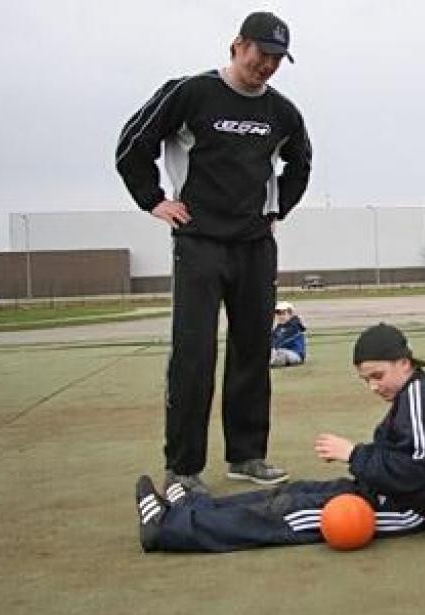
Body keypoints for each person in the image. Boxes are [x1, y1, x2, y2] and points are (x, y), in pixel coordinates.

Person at [115, 11, 312, 492]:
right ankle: (182, 467)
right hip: (199, 242)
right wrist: (155, 200)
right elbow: (131, 145)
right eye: (261, 53)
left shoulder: (282, 113)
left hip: (254, 246)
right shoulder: (190, 93)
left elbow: (301, 161)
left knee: (251, 350)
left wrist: (276, 209)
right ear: (237, 46)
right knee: (194, 353)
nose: (267, 65)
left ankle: (246, 456)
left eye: (277, 59)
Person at [133, 323, 425, 552]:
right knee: (293, 492)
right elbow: (403, 458)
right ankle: (192, 507)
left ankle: (167, 530)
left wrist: (353, 454)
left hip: (402, 509)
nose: (373, 386)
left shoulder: (420, 398)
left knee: (285, 514)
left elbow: (415, 471)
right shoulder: (412, 393)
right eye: (366, 379)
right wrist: (359, 458)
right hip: (381, 492)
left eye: (378, 376)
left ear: (404, 363)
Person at [270, 301, 306, 367]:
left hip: (296, 355)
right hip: (280, 352)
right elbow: (272, 338)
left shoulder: (295, 327)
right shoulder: (279, 327)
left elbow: (283, 340)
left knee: (280, 353)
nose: (280, 316)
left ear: (290, 314)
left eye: (283, 313)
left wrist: (273, 347)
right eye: (278, 314)